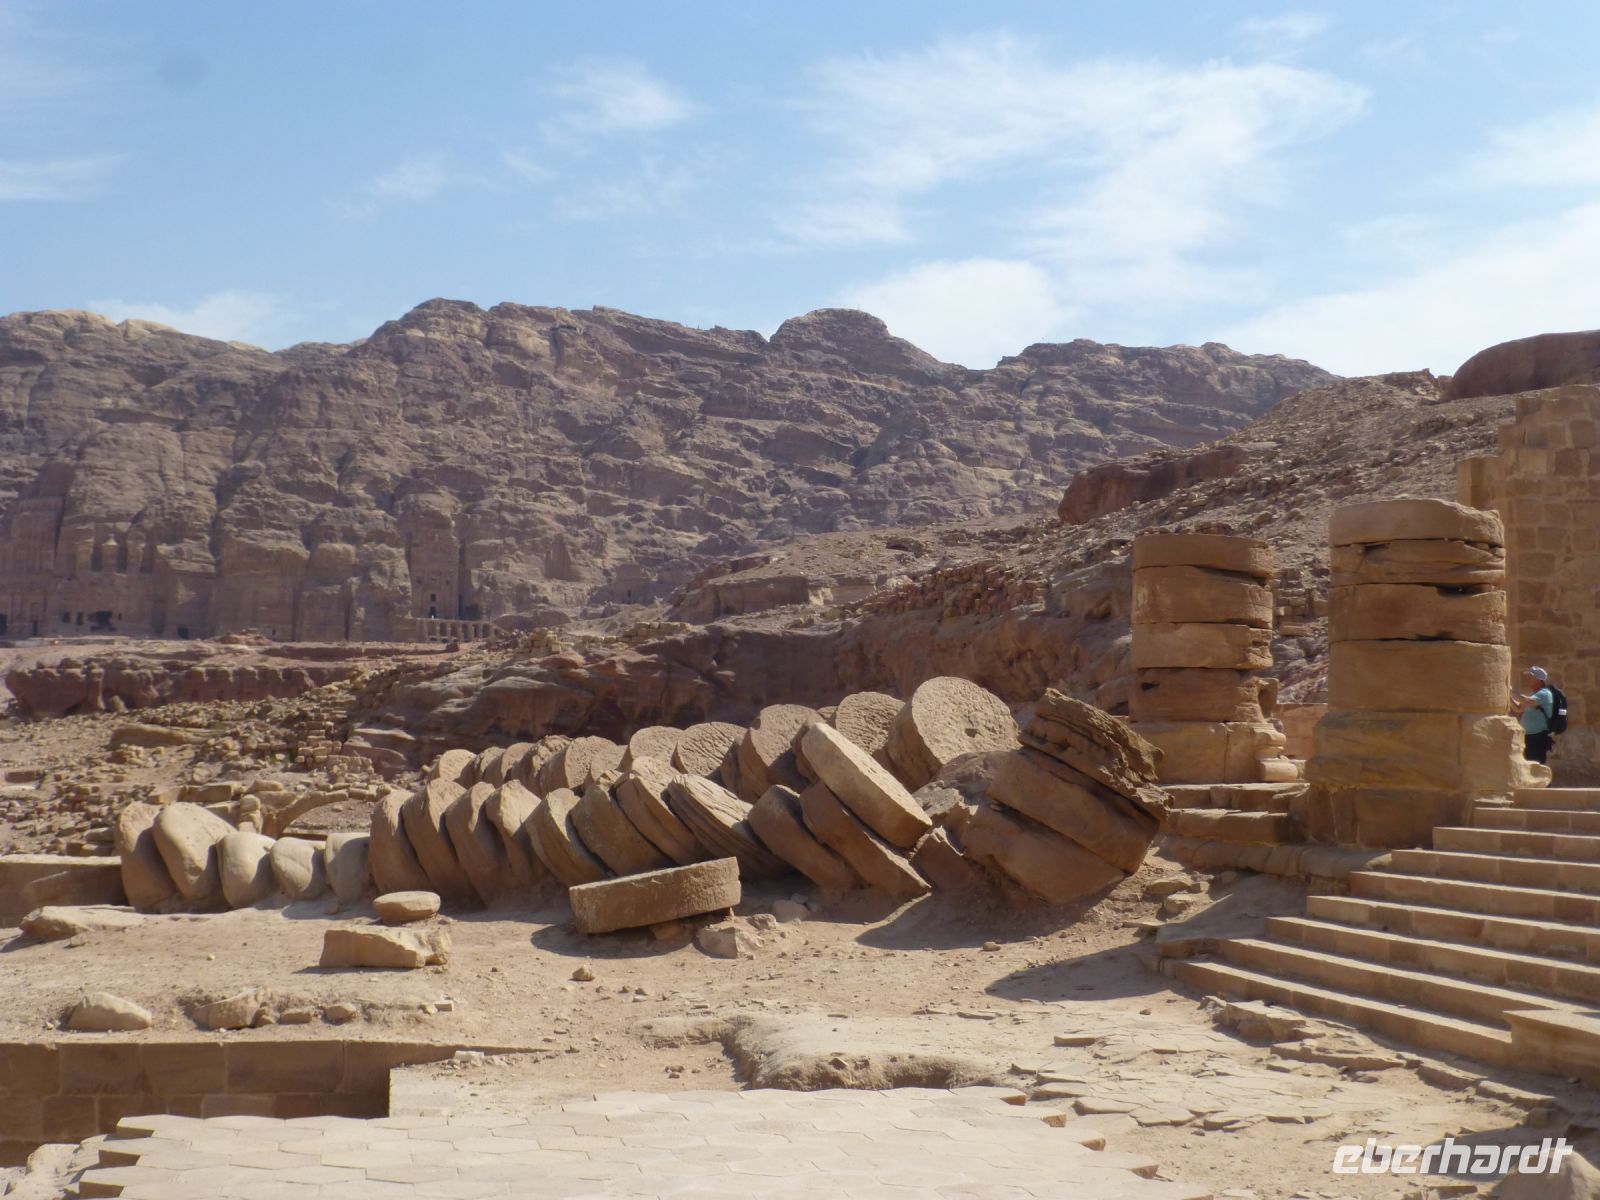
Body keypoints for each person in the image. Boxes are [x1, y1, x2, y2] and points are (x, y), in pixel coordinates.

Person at [1515, 666, 1556, 764]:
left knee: (1535, 766)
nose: (1527, 679)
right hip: (1530, 737)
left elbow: (1526, 701)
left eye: (1530, 677)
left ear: (1538, 679)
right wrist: (1509, 695)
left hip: (1537, 738)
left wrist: (1512, 691)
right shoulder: (1536, 695)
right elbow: (1518, 708)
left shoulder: (1544, 694)